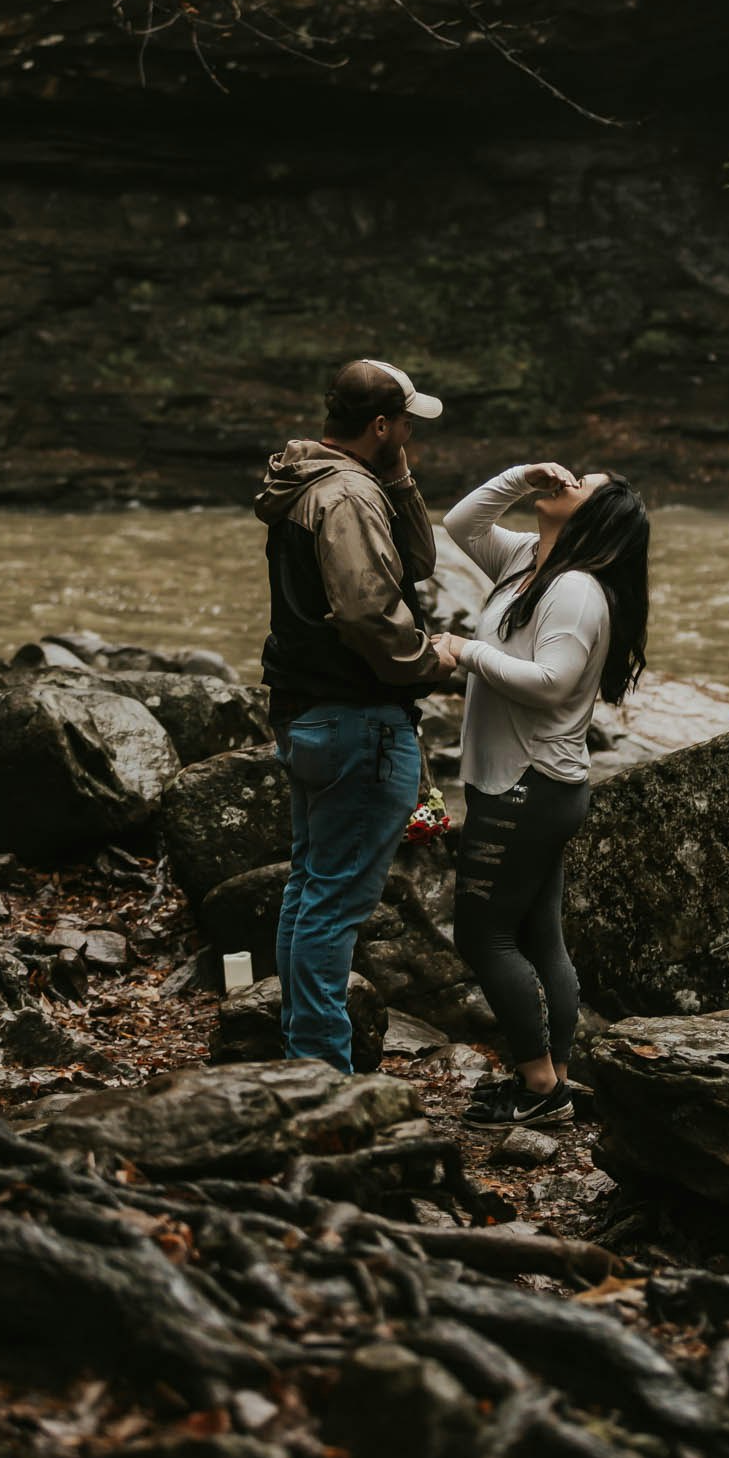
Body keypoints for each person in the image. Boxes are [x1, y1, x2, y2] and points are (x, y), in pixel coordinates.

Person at [435, 461, 650, 1126]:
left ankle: (537, 1086)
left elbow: (552, 683)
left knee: (482, 937)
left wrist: (464, 651)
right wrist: (519, 479)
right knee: (537, 935)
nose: (569, 479)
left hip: (527, 787)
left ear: (595, 518)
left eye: (583, 484)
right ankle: (553, 1077)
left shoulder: (577, 590)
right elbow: (460, 524)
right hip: (525, 784)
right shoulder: (528, 557)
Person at [255, 358, 445, 1073]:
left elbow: (417, 562)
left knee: (311, 888)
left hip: (309, 714)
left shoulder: (313, 482)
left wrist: (399, 477)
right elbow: (368, 611)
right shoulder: (347, 496)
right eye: (404, 425)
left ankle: (301, 1056)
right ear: (381, 425)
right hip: (356, 720)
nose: (410, 434)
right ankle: (321, 1071)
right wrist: (428, 661)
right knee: (332, 905)